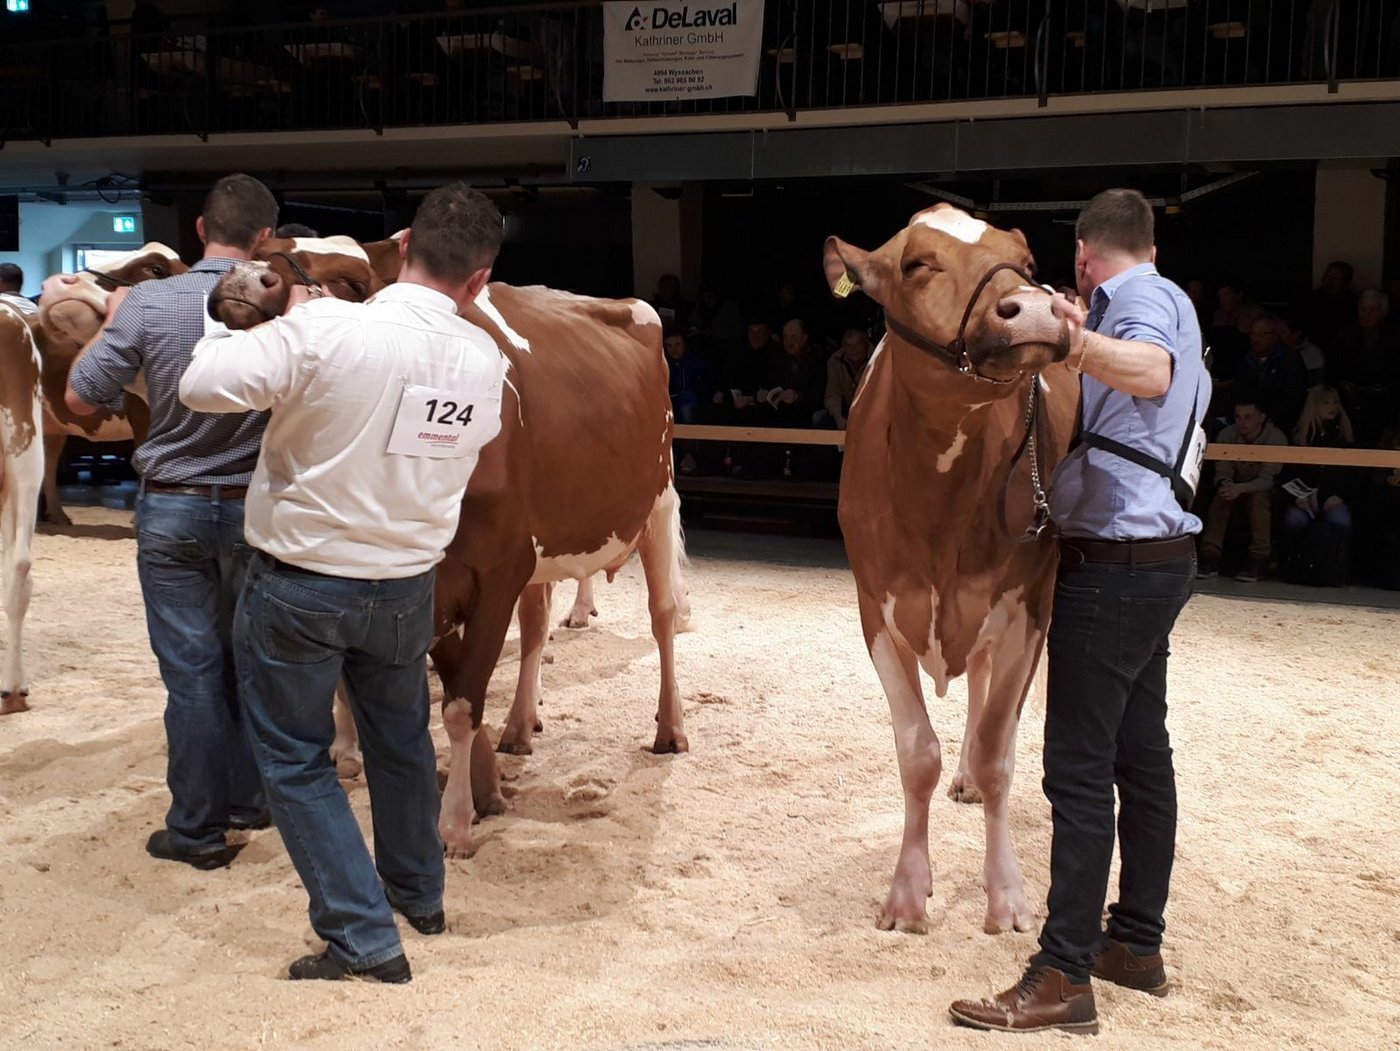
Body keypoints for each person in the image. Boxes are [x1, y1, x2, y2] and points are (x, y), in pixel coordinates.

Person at [180, 182, 507, 984]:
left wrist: (240, 311)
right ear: (479, 280)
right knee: (400, 744)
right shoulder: (485, 357)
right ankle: (417, 894)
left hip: (301, 581)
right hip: (405, 587)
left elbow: (201, 386)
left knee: (293, 757)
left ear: (402, 251)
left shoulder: (324, 328)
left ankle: (362, 936)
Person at [950, 188, 1208, 1035]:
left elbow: (1153, 370)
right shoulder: (1143, 303)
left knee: (1079, 770)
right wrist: (1080, 332)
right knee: (1140, 754)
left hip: (1119, 566)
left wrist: (1070, 334)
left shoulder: (1144, 300)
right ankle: (1133, 944)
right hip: (1153, 561)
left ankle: (1061, 972)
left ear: (1087, 259)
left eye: (1080, 280)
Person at [65, 173, 278, 871]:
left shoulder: (151, 302)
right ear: (266, 238)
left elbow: (80, 401)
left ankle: (196, 829)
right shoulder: (287, 306)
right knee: (251, 659)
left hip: (173, 504)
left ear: (198, 231)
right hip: (257, 503)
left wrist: (114, 318)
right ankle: (251, 799)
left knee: (190, 671)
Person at [1196, 397, 1288, 582]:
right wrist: (1226, 484)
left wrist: (1241, 488)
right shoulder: (1227, 435)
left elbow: (1268, 479)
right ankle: (1210, 556)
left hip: (1265, 490)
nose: (1242, 422)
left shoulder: (1276, 438)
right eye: (1238, 417)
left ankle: (1259, 558)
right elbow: (1222, 470)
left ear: (1261, 418)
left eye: (1248, 417)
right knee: (1222, 496)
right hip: (1234, 486)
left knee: (1258, 499)